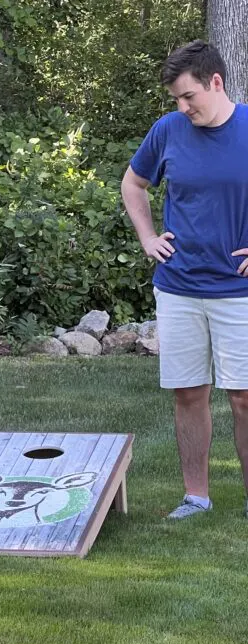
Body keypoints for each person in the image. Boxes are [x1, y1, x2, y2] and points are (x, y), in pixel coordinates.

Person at [121, 40, 248, 520]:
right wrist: (148, 237)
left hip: (239, 291)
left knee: (244, 397)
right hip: (179, 286)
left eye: (188, 96)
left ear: (216, 82)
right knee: (189, 393)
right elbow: (133, 183)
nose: (182, 107)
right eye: (176, 99)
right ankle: (196, 497)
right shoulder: (168, 131)